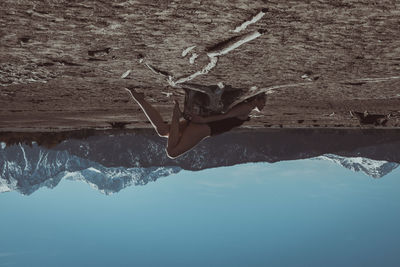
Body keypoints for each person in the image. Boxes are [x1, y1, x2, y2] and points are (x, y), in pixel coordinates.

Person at [125, 88, 266, 159]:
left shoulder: (247, 108)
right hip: (205, 127)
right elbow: (226, 115)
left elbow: (226, 115)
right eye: (262, 101)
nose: (262, 105)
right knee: (170, 150)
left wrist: (204, 120)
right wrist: (203, 121)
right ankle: (174, 115)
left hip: (207, 127)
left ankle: (140, 99)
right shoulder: (247, 109)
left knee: (164, 135)